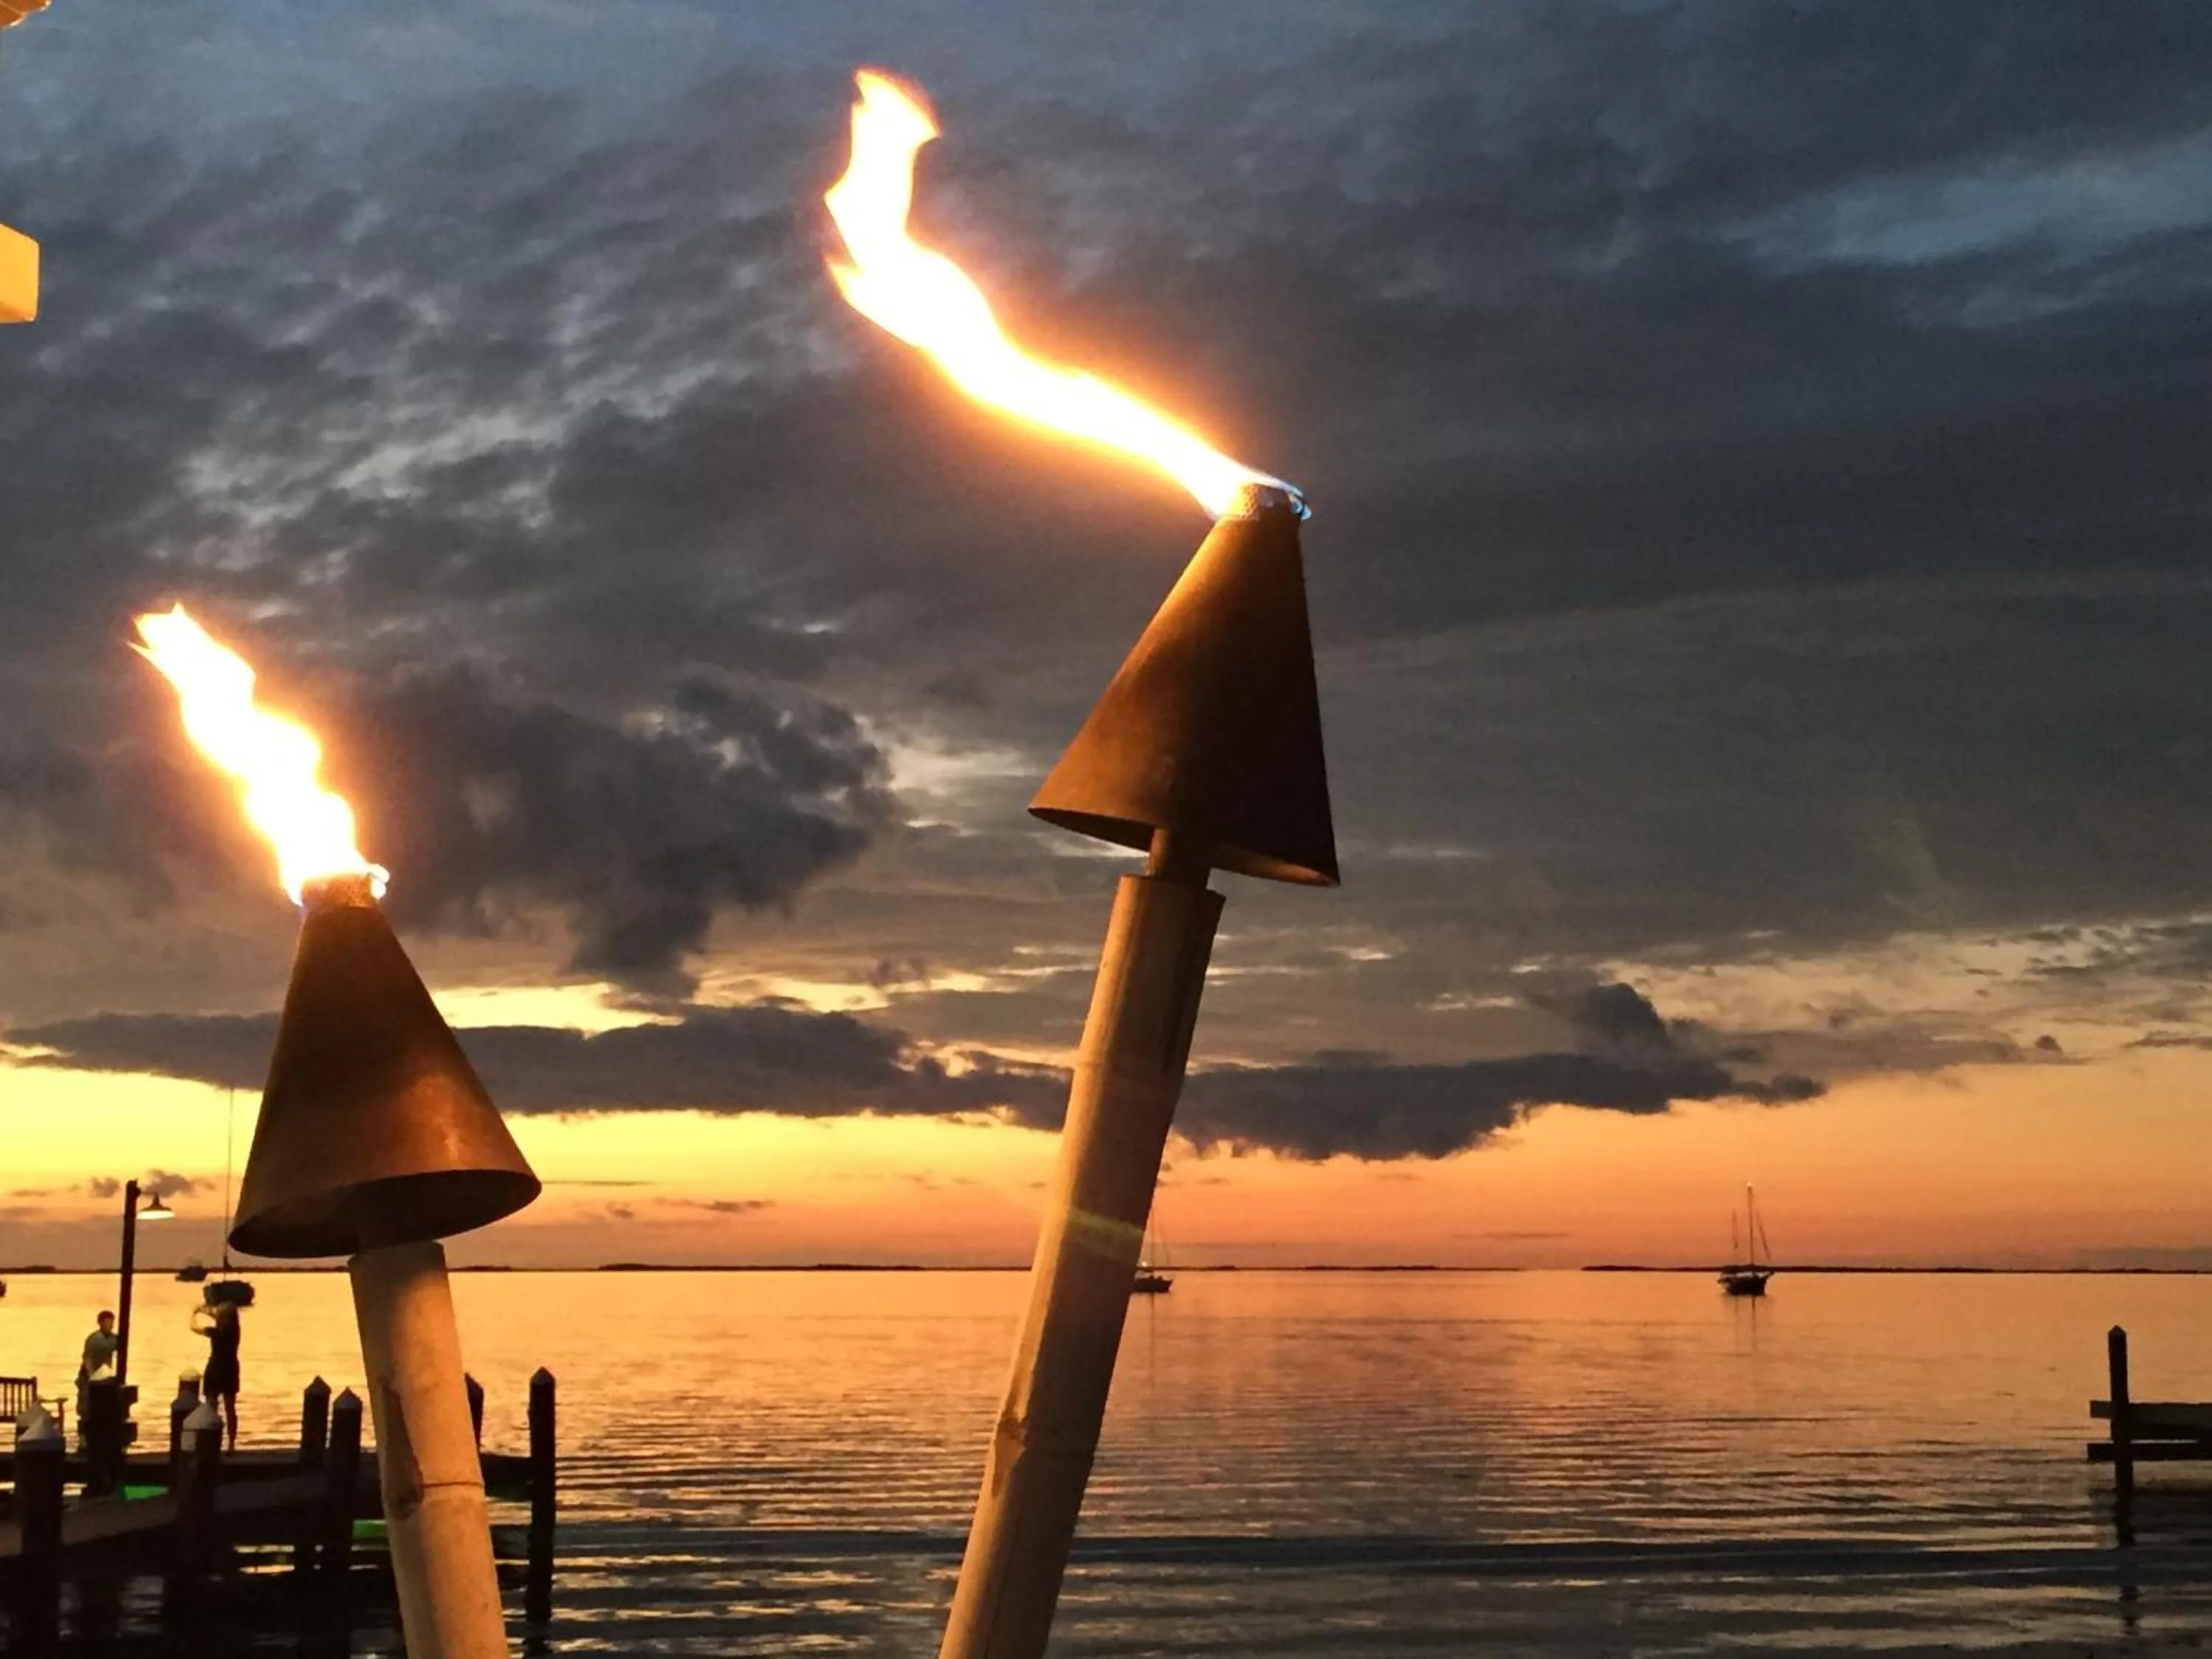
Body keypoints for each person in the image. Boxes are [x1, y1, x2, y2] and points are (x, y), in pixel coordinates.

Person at [189, 1298, 242, 1450]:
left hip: (215, 1369)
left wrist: (193, 1314)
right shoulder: (235, 1330)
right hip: (231, 1369)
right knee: (230, 1408)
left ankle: (211, 1443)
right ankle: (231, 1443)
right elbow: (216, 1317)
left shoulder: (215, 1332)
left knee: (211, 1407)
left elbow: (194, 1328)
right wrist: (204, 1311)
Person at [75, 1310, 119, 1437]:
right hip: (88, 1375)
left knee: (104, 1407)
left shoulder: (114, 1339)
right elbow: (87, 1358)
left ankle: (104, 1434)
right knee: (86, 1407)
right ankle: (84, 1437)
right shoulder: (93, 1339)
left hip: (105, 1376)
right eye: (106, 1322)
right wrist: (91, 1376)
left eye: (111, 1322)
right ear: (100, 1323)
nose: (109, 1325)